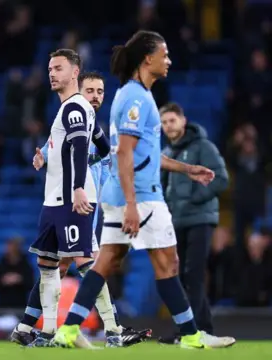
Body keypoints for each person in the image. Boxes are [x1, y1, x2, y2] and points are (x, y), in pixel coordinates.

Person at [52, 30, 235, 349]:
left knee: (107, 261)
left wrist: (187, 168)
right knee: (168, 264)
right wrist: (134, 205)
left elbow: (143, 153)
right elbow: (123, 152)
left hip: (120, 194)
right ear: (147, 58)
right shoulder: (137, 98)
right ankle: (192, 335)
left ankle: (68, 330)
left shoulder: (131, 94)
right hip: (141, 196)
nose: (169, 60)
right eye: (164, 54)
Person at [10, 71, 150, 348]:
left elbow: (107, 157)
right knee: (72, 266)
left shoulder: (93, 129)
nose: (95, 97)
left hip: (87, 208)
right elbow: (61, 153)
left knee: (56, 267)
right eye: (90, 91)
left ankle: (33, 328)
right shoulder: (73, 120)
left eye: (100, 91)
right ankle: (110, 329)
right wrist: (45, 159)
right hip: (74, 205)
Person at [21, 49, 104, 347]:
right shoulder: (71, 110)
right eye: (49, 69)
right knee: (53, 265)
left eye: (58, 68)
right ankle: (47, 330)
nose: (52, 73)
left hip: (75, 199)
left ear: (74, 73)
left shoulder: (75, 108)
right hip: (61, 199)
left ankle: (112, 329)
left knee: (83, 262)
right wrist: (45, 151)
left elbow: (84, 148)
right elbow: (96, 146)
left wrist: (80, 185)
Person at [159, 102, 229, 344]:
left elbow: (221, 179)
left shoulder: (204, 147)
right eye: (165, 122)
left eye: (172, 120)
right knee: (177, 277)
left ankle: (201, 330)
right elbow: (162, 186)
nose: (169, 126)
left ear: (183, 121)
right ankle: (187, 331)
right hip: (175, 222)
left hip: (200, 219)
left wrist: (193, 200)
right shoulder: (166, 153)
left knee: (194, 275)